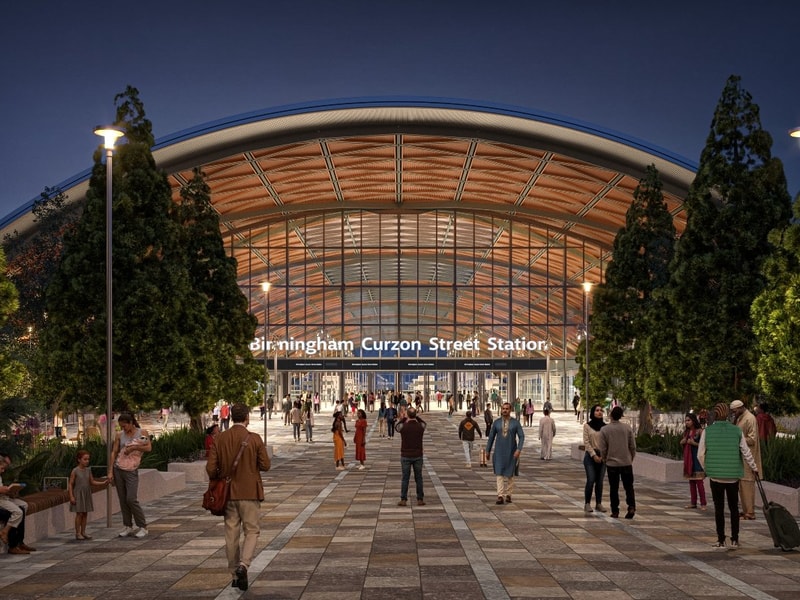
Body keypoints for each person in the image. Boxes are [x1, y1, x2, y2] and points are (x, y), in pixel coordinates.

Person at [206, 402, 270, 591]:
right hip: (250, 493)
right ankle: (244, 565)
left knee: (231, 534)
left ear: (232, 416)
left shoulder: (220, 438)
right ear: (247, 417)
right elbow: (266, 465)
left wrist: (221, 474)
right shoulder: (255, 439)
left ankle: (234, 574)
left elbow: (210, 469)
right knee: (251, 531)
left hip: (228, 494)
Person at [698, 402, 758, 550]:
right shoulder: (736, 431)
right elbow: (746, 452)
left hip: (715, 476)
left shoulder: (708, 431)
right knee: (733, 508)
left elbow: (700, 454)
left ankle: (720, 540)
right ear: (728, 415)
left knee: (719, 509)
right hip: (732, 476)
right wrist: (754, 467)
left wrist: (708, 468)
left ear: (715, 414)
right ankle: (735, 539)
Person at [108, 412, 151, 538]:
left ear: (131, 423)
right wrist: (110, 470)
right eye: (121, 426)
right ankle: (127, 525)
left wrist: (134, 448)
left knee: (131, 498)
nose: (123, 429)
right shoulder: (119, 435)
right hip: (118, 468)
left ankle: (142, 526)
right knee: (122, 499)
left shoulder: (142, 433)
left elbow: (148, 448)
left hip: (131, 469)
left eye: (125, 426)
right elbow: (114, 451)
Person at [599, 406, 636, 519]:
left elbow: (603, 448)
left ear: (610, 415)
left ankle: (615, 510)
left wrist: (605, 458)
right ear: (621, 416)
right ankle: (631, 506)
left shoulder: (605, 430)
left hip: (612, 463)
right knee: (629, 486)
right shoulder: (627, 428)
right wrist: (631, 457)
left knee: (613, 488)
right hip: (626, 462)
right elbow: (633, 446)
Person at [485, 401, 525, 505]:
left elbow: (521, 436)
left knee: (510, 474)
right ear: (501, 410)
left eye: (507, 409)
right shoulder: (497, 423)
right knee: (499, 473)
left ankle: (509, 494)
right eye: (503, 409)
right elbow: (491, 437)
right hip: (499, 452)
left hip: (512, 452)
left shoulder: (515, 423)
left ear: (510, 410)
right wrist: (487, 450)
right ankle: (500, 495)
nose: (505, 410)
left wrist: (518, 449)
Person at [730, 399, 761, 520]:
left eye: (734, 411)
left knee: (747, 484)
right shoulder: (740, 418)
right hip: (741, 457)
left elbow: (752, 439)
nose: (734, 413)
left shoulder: (750, 418)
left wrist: (739, 440)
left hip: (749, 457)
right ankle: (745, 510)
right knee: (742, 485)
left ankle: (750, 512)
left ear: (740, 408)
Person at [68, 449, 109, 540]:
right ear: (79, 460)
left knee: (85, 513)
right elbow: (70, 484)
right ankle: (77, 533)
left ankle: (83, 531)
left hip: (86, 493)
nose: (87, 461)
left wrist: (103, 483)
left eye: (88, 459)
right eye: (85, 459)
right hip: (78, 493)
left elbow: (92, 481)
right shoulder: (75, 471)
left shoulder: (88, 470)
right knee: (79, 513)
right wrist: (71, 496)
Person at [0, 453, 36, 554]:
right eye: (2, 468)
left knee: (23, 505)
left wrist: (11, 492)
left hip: (4, 497)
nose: (4, 470)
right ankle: (9, 538)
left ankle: (20, 541)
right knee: (16, 512)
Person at [395, 407, 427, 506]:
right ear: (415, 415)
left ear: (408, 415)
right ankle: (420, 499)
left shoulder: (404, 426)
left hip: (405, 455)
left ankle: (403, 499)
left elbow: (397, 427)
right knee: (419, 478)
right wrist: (416, 417)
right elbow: (424, 424)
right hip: (418, 455)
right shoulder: (420, 427)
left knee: (405, 478)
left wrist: (404, 418)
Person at [582, 404, 606, 513]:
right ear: (593, 412)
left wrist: (603, 455)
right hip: (590, 456)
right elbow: (586, 443)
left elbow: (607, 443)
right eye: (597, 410)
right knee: (591, 479)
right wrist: (594, 455)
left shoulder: (605, 427)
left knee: (599, 481)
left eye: (601, 410)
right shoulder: (587, 426)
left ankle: (599, 503)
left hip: (602, 456)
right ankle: (587, 503)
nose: (599, 412)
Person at [680, 413, 707, 510]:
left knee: (699, 482)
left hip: (697, 458)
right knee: (691, 482)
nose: (687, 422)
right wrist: (683, 442)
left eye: (689, 420)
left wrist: (693, 443)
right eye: (686, 420)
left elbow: (704, 445)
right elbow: (684, 443)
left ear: (693, 420)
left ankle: (703, 503)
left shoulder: (700, 431)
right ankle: (693, 502)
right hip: (689, 458)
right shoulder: (686, 432)